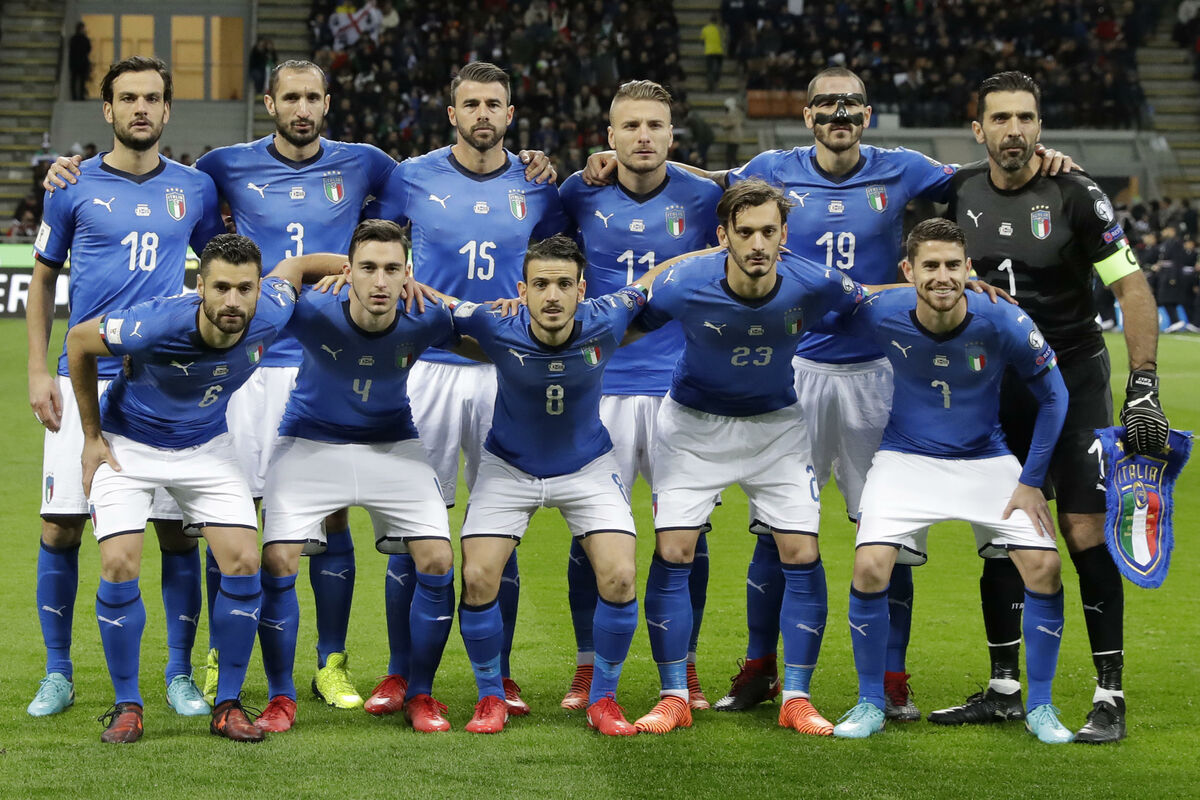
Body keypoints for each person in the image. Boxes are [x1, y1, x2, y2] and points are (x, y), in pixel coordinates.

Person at [938, 71, 1166, 743]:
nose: (1014, 130)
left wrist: (1144, 382)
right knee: (1002, 532)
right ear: (978, 130)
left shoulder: (1077, 194)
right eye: (1000, 118)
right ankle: (1004, 689)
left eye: (1026, 118)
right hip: (994, 386)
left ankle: (1109, 694)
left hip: (1073, 380)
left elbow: (1131, 287)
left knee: (1084, 530)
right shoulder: (953, 191)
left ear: (1041, 128)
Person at [367, 61, 568, 717]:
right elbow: (372, 250)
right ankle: (400, 675)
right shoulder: (411, 176)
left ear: (511, 114)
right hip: (426, 368)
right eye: (471, 104)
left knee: (498, 530)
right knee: (412, 528)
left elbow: (559, 268)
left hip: (507, 371)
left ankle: (500, 676)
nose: (483, 114)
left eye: (494, 104)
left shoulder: (538, 186)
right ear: (452, 114)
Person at [631, 179, 867, 736]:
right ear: (723, 237)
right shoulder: (685, 282)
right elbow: (623, 323)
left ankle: (797, 698)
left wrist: (957, 289)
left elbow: (874, 303)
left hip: (776, 429)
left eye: (768, 232)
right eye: (745, 233)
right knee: (675, 549)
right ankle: (673, 696)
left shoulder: (815, 281)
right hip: (693, 428)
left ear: (784, 235)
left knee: (801, 551)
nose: (757, 244)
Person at [26, 56, 225, 719]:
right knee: (61, 526)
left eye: (153, 98)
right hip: (81, 378)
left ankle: (179, 674)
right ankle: (58, 673)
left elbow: (221, 268)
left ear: (168, 110)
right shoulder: (71, 184)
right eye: (129, 98)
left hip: (160, 385)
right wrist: (37, 369)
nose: (142, 108)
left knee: (175, 534)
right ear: (107, 110)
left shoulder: (195, 188)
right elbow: (43, 279)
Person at [826, 219, 1073, 744]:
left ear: (969, 268)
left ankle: (1041, 706)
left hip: (987, 458)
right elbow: (816, 310)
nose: (943, 276)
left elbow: (1056, 396)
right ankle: (870, 701)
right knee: (869, 566)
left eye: (953, 265)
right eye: (931, 266)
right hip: (905, 458)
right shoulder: (881, 311)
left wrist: (1031, 481)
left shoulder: (1003, 317)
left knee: (1045, 568)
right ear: (908, 270)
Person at [63, 233, 317, 742]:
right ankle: (127, 706)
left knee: (244, 560)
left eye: (244, 288)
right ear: (199, 287)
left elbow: (297, 265)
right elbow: (78, 341)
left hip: (206, 447)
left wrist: (357, 270)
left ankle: (228, 706)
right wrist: (91, 437)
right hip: (129, 445)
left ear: (258, 288)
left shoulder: (272, 308)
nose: (233, 300)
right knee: (119, 563)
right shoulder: (153, 323)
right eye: (220, 287)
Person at [557, 80, 723, 712]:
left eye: (655, 125)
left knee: (686, 536)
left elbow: (759, 193)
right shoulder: (578, 193)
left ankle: (684, 668)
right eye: (630, 126)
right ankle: (586, 667)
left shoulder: (705, 196)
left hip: (683, 389)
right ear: (610, 136)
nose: (643, 136)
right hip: (600, 388)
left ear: (673, 136)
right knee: (591, 534)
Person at [254, 220, 457, 733]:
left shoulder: (426, 314)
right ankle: (280, 697)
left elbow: (491, 336)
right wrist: (298, 267)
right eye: (368, 268)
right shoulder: (310, 309)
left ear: (408, 275)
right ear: (348, 272)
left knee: (437, 559)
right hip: (309, 441)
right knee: (277, 560)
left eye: (392, 269)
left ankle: (420, 692)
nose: (380, 281)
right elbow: (271, 289)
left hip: (393, 443)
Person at [452, 235, 646, 736]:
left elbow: (653, 281)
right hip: (508, 467)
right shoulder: (493, 323)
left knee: (620, 576)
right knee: (477, 577)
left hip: (587, 467)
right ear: (522, 291)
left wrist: (716, 254)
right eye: (540, 285)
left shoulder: (609, 316)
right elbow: (437, 307)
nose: (552, 295)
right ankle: (490, 697)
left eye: (564, 284)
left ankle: (604, 700)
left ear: (582, 288)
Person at [701, 16, 724, 93]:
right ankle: (717, 85)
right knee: (718, 69)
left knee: (710, 70)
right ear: (716, 21)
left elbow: (702, 40)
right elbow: (724, 39)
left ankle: (710, 87)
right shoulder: (720, 29)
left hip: (709, 51)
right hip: (719, 51)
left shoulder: (705, 29)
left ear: (709, 21)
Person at [68, 22, 91, 101]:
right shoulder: (85, 39)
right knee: (81, 81)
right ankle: (81, 97)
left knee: (74, 81)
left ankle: (74, 97)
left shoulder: (73, 39)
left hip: (75, 63)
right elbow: (88, 49)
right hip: (82, 63)